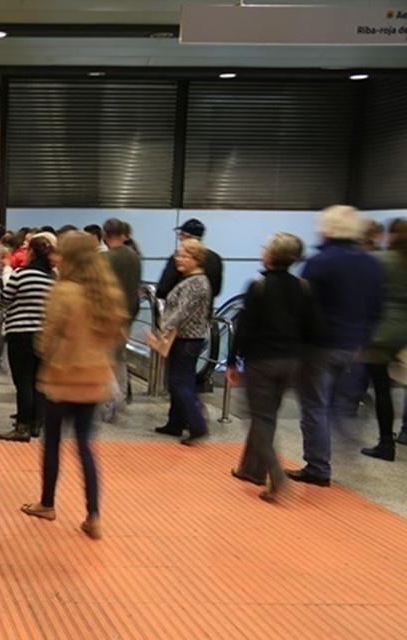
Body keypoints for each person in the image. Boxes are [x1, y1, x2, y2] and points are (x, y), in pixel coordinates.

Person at [21, 232, 126, 540]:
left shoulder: (63, 291)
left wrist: (47, 352)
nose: (55, 258)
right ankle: (93, 514)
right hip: (95, 380)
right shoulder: (106, 293)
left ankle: (47, 503)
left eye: (59, 253)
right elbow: (113, 335)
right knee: (85, 447)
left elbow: (46, 338)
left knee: (52, 443)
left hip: (62, 379)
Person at [289, 205, 385, 487]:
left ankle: (318, 466)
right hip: (353, 346)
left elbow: (304, 307)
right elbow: (376, 307)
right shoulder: (370, 263)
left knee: (314, 405)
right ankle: (348, 449)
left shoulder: (320, 263)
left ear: (328, 229)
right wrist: (363, 340)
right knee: (342, 404)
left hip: (319, 347)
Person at [226, 233, 320, 502]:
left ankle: (276, 478)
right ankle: (250, 469)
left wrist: (233, 361)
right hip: (291, 362)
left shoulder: (258, 287)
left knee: (259, 417)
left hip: (261, 362)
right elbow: (313, 328)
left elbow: (244, 329)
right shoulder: (303, 287)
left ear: (270, 255)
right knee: (267, 416)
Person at [0, 233, 56, 442]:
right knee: (38, 382)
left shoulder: (21, 275)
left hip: (20, 334)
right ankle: (36, 424)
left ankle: (22, 427)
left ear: (31, 253)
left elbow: (4, 299)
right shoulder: (52, 279)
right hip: (43, 336)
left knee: (22, 382)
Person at [153, 238, 213, 444]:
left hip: (187, 339)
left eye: (184, 256)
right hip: (184, 338)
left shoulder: (195, 283)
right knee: (179, 381)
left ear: (196, 259)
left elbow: (182, 312)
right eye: (179, 255)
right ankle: (175, 423)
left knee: (180, 382)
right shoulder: (191, 281)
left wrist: (164, 328)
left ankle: (197, 425)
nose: (179, 259)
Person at [359, 217, 407, 461]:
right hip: (404, 334)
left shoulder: (380, 261)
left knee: (382, 388)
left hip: (380, 333)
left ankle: (386, 443)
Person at [102, 218, 142, 421]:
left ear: (105, 234)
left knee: (105, 358)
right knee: (119, 356)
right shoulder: (134, 257)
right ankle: (123, 394)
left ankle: (113, 396)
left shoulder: (106, 258)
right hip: (129, 313)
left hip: (108, 315)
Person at [156, 219, 223, 301]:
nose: (179, 238)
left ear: (186, 236)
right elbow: (216, 291)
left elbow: (163, 289)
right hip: (205, 309)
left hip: (180, 308)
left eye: (181, 235)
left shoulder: (178, 258)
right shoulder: (215, 258)